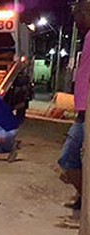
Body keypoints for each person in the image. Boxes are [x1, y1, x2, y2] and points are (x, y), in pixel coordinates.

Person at [58, 1, 90, 210]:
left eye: (77, 14)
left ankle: (84, 198)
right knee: (72, 158)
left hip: (86, 112)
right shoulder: (87, 37)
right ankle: (82, 196)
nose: (76, 21)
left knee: (68, 158)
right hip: (83, 111)